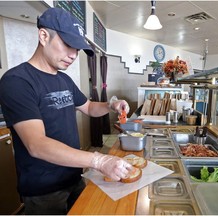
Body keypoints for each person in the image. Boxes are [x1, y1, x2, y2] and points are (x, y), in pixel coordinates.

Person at [0, 8, 133, 215]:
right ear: (44, 36)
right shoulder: (17, 81)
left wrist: (110, 105)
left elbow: (88, 107)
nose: (73, 55)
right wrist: (99, 160)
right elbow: (37, 144)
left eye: (77, 49)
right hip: (43, 190)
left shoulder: (64, 79)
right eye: (68, 45)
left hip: (74, 176)